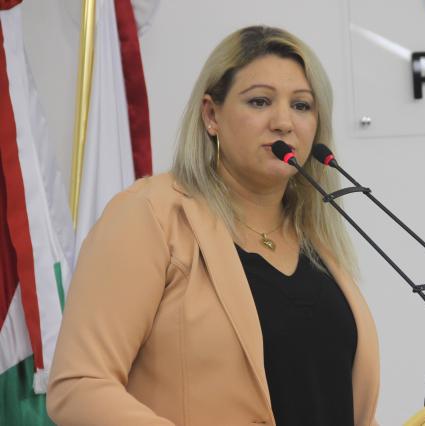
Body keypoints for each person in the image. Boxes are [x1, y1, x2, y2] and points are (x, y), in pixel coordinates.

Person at [47, 25, 380, 425]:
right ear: (211, 115)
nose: (283, 122)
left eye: (302, 105)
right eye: (260, 101)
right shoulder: (150, 215)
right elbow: (79, 385)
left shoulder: (317, 240)